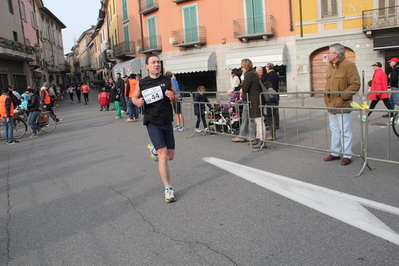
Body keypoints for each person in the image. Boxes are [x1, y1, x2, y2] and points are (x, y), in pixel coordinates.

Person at [132, 54, 178, 203]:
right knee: (163, 156)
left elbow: (176, 96)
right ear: (147, 66)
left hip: (167, 120)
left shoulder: (167, 80)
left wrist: (173, 96)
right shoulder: (142, 82)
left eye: (158, 62)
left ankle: (153, 148)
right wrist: (137, 102)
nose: (156, 64)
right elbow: (134, 97)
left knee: (170, 156)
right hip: (152, 121)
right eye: (153, 62)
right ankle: (168, 189)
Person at [323, 43, 360, 166]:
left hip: (343, 104)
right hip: (331, 104)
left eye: (329, 53)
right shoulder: (331, 66)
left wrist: (343, 97)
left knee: (345, 131)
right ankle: (335, 152)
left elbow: (355, 84)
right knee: (334, 130)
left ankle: (347, 154)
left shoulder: (349, 66)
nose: (327, 55)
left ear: (336, 54)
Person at [241, 58, 266, 149]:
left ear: (245, 66)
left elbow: (245, 87)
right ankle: (258, 138)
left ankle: (262, 140)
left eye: (242, 66)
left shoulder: (249, 74)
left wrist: (242, 86)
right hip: (256, 99)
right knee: (257, 120)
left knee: (259, 121)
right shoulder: (253, 73)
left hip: (255, 100)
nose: (241, 68)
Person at [264, 63, 280, 129]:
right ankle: (276, 124)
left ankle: (270, 124)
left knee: (269, 111)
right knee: (275, 110)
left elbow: (263, 83)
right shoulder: (276, 75)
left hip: (269, 94)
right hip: (276, 93)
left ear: (268, 68)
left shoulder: (267, 75)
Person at [387, 57, 399, 123]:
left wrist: (391, 84)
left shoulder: (395, 69)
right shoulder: (398, 68)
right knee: (391, 101)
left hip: (395, 86)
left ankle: (393, 115)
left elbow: (394, 78)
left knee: (396, 101)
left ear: (394, 62)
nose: (390, 63)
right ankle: (390, 113)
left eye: (391, 62)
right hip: (397, 86)